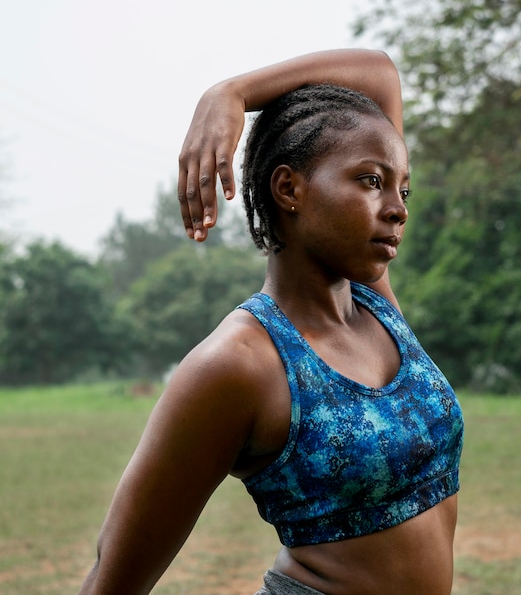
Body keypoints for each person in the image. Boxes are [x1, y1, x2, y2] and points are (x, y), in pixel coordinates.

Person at [78, 49, 464, 595]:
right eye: (371, 181)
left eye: (403, 188)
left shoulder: (375, 306)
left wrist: (233, 92)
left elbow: (378, 74)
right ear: (289, 189)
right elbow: (114, 579)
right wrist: (225, 97)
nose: (398, 208)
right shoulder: (237, 365)